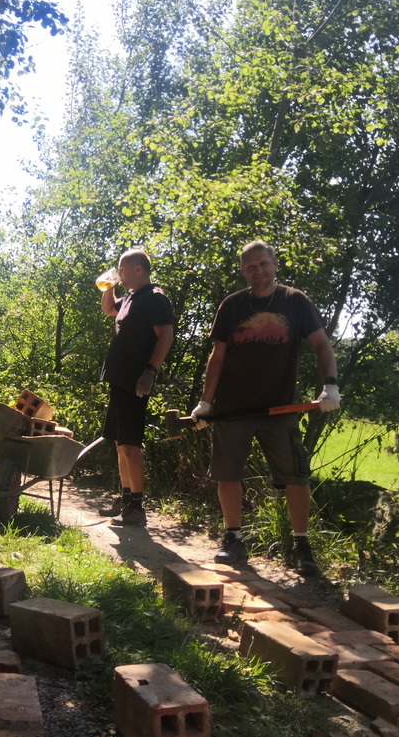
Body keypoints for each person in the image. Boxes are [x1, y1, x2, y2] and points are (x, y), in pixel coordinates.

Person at [191, 240, 340, 576]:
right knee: (227, 473)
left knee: (296, 476)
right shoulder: (231, 306)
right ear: (243, 271)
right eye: (250, 267)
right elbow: (218, 357)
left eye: (263, 264)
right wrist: (205, 402)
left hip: (280, 409)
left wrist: (330, 385)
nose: (258, 271)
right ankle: (233, 539)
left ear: (274, 264)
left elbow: (321, 344)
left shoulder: (295, 301)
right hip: (232, 408)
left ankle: (301, 545)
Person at [98, 248, 175, 526]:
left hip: (135, 381)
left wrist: (150, 371)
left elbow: (166, 336)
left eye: (122, 269)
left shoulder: (155, 298)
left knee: (131, 445)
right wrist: (109, 286)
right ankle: (125, 497)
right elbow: (109, 309)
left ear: (139, 269)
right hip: (118, 380)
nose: (119, 273)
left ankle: (137, 508)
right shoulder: (131, 297)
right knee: (120, 443)